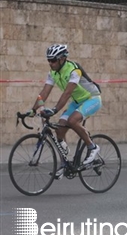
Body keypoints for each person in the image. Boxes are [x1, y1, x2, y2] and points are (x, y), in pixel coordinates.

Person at [30, 44, 102, 178]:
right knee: (60, 128)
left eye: (53, 60)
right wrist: (33, 109)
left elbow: (67, 93)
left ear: (62, 59)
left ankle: (92, 147)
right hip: (77, 102)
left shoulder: (74, 70)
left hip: (92, 99)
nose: (50, 63)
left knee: (72, 120)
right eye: (48, 60)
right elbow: (44, 92)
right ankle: (65, 163)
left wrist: (55, 109)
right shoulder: (52, 72)